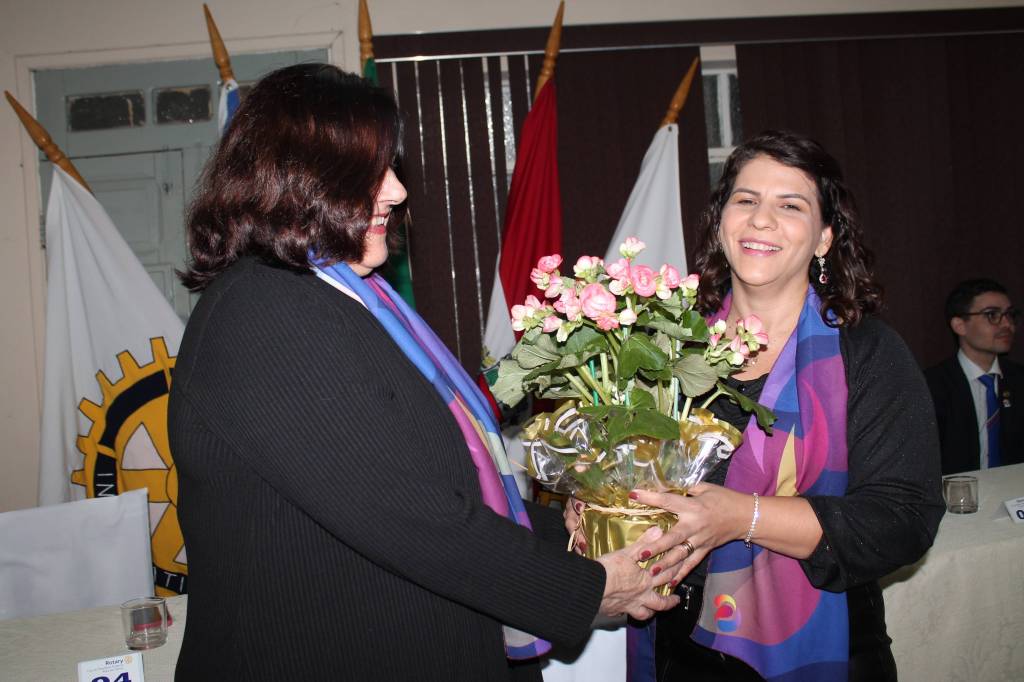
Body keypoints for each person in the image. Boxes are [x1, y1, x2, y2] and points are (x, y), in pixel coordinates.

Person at [168, 63, 685, 681]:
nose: (395, 191)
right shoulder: (267, 312)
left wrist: (562, 530)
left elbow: (434, 477)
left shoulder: (344, 298)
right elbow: (407, 514)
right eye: (369, 171)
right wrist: (588, 589)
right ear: (297, 180)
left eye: (390, 167)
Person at [568, 130, 945, 681]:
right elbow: (629, 476)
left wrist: (741, 517)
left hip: (822, 645)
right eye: (746, 200)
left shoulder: (867, 352)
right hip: (675, 646)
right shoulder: (665, 349)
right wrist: (598, 508)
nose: (762, 220)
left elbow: (903, 520)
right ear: (721, 224)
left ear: (824, 238)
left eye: (790, 206)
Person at [924, 279, 1022, 474]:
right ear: (959, 325)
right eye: (992, 315)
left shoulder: (1019, 379)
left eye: (1010, 315)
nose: (1007, 324)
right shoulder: (931, 386)